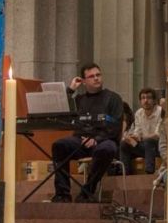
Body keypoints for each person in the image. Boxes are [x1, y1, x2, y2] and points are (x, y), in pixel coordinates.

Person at [50, 63, 124, 202]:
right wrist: (71, 90)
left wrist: (96, 139)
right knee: (59, 146)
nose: (96, 78)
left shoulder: (113, 98)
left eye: (98, 75)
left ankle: (88, 190)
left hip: (104, 140)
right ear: (83, 81)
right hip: (80, 141)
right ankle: (62, 194)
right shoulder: (79, 100)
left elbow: (115, 126)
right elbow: (60, 111)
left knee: (108, 148)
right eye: (91, 76)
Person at [120, 87, 162, 174]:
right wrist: (132, 137)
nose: (145, 101)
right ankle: (125, 174)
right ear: (140, 101)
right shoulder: (139, 113)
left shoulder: (160, 112)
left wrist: (141, 138)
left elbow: (157, 135)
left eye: (149, 98)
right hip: (144, 146)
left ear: (154, 100)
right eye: (143, 98)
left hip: (158, 147)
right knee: (124, 144)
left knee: (149, 141)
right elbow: (137, 131)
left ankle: (149, 173)